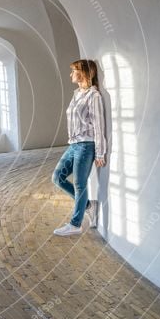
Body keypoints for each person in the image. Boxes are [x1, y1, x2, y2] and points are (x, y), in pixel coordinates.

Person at [51, 59, 107, 236]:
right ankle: (89, 205)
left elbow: (99, 126)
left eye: (73, 70)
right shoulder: (77, 94)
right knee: (57, 177)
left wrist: (100, 153)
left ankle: (75, 224)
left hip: (86, 144)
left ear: (82, 73)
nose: (70, 74)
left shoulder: (94, 96)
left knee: (79, 185)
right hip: (74, 144)